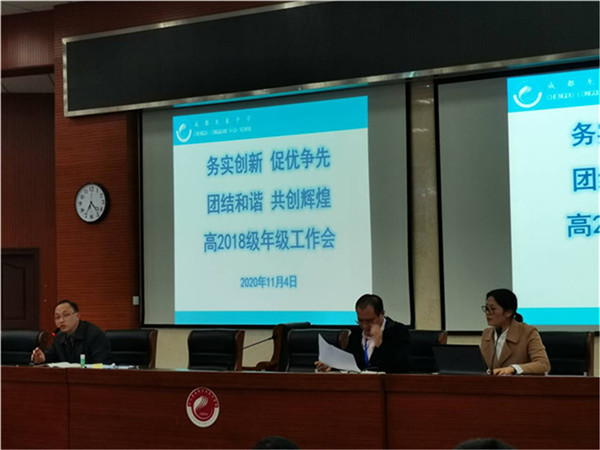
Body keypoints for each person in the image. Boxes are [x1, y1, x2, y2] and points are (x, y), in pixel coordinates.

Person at [316, 293, 411, 373]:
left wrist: (380, 343)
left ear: (382, 314)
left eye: (370, 321)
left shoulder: (399, 332)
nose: (365, 326)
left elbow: (402, 366)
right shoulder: (356, 334)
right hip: (360, 384)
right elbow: (348, 363)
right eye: (360, 321)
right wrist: (331, 366)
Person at [480, 288, 550, 375]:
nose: (487, 313)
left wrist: (513, 369)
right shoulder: (487, 334)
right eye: (486, 308)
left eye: (492, 309)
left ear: (508, 312)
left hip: (521, 383)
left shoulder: (528, 332)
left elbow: (543, 365)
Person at [31, 299, 112, 365]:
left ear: (77, 316)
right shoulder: (59, 337)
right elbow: (51, 356)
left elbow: (102, 365)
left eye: (66, 315)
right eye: (57, 317)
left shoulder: (95, 335)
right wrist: (43, 358)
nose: (61, 320)